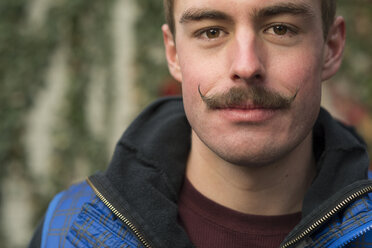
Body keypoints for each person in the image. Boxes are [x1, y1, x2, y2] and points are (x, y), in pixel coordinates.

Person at [29, 0, 372, 247]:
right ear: (174, 54)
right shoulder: (67, 231)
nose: (246, 65)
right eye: (211, 31)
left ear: (331, 47)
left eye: (280, 29)